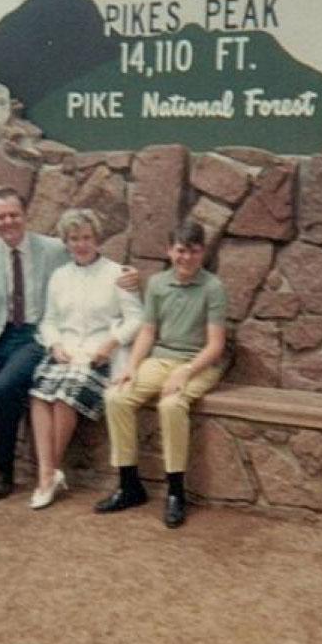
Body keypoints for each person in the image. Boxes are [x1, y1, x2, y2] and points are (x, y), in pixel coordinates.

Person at [0, 187, 137, 502]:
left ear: (25, 215)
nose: (8, 222)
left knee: (6, 388)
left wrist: (132, 275)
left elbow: (90, 254)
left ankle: (4, 471)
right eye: (1, 216)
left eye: (13, 214)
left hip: (32, 337)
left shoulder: (54, 248)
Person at [97, 220, 228, 529]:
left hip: (199, 363)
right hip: (160, 359)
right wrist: (132, 366)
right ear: (170, 251)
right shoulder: (157, 284)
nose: (186, 258)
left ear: (202, 252)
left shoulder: (213, 288)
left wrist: (185, 372)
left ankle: (175, 492)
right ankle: (129, 485)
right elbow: (147, 330)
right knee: (116, 397)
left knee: (171, 405)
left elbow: (216, 346)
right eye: (181, 251)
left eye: (194, 251)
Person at [28, 209, 143, 510]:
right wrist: (54, 344)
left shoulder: (117, 274)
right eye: (74, 238)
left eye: (87, 237)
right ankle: (48, 473)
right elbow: (49, 320)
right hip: (65, 351)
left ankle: (48, 475)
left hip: (98, 355)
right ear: (66, 242)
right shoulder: (60, 276)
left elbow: (136, 319)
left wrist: (111, 343)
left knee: (65, 397)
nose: (81, 244)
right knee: (39, 396)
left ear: (97, 239)